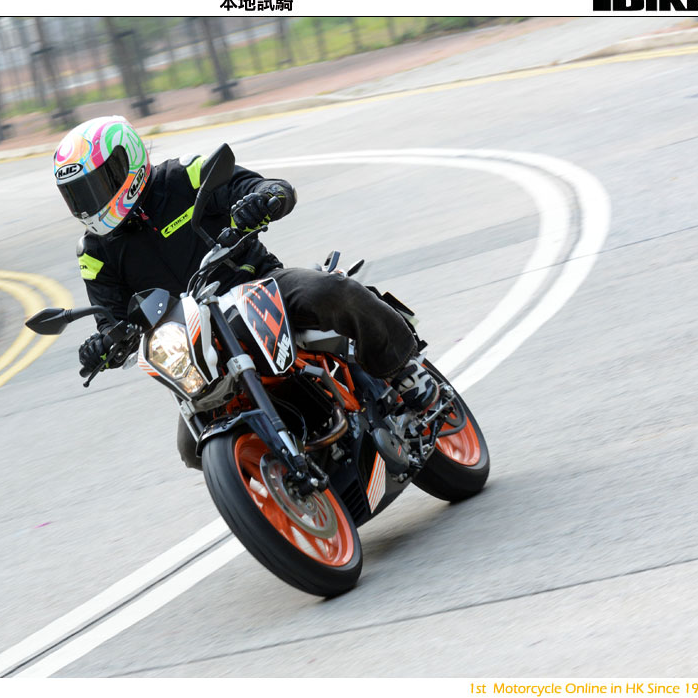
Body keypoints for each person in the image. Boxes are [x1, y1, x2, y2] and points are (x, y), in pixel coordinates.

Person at [54, 115, 438, 468]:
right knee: (191, 448)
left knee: (332, 290)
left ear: (129, 162)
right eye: (78, 194)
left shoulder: (186, 176)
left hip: (257, 285)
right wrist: (104, 344)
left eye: (96, 185)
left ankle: (402, 369)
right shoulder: (94, 251)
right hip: (193, 340)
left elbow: (259, 187)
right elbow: (112, 318)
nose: (90, 202)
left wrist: (265, 197)